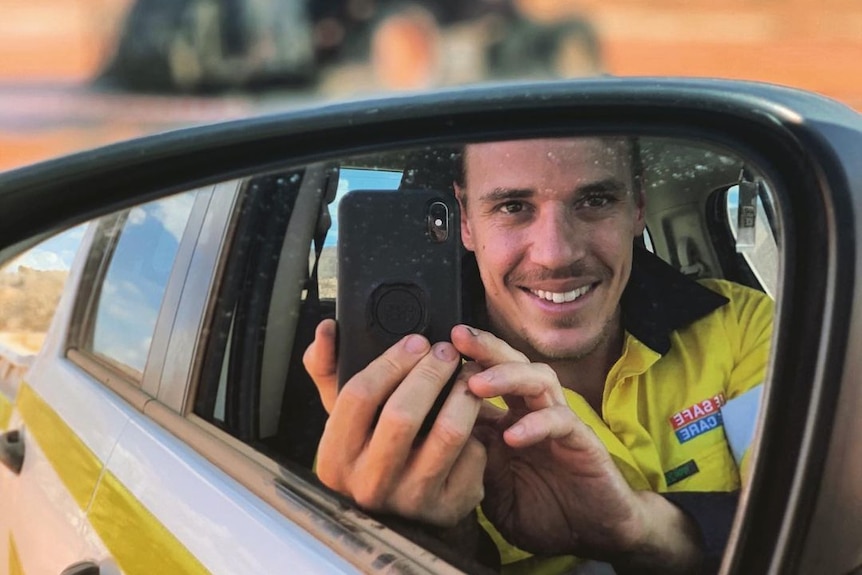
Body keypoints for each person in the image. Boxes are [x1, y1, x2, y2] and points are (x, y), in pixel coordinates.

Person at [304, 137, 773, 574]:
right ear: (466, 221)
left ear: (638, 208)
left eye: (594, 201)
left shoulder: (740, 323)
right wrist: (443, 533)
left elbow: (816, 517)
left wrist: (638, 528)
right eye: (513, 206)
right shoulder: (410, 401)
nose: (555, 254)